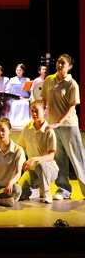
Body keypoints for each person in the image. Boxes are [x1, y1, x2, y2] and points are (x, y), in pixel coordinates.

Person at [40, 54, 85, 201]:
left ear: (70, 66)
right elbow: (44, 100)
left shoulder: (72, 84)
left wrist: (59, 122)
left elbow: (72, 107)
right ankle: (64, 189)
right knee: (59, 159)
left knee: (77, 158)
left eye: (63, 63)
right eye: (59, 62)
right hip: (52, 125)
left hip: (68, 125)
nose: (60, 65)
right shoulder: (49, 80)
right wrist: (43, 115)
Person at [17, 100, 58, 204]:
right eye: (32, 111)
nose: (34, 114)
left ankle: (46, 191)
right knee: (20, 193)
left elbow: (51, 156)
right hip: (33, 170)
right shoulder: (27, 128)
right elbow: (20, 148)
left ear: (44, 111)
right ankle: (37, 189)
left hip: (49, 169)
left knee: (41, 164)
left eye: (36, 111)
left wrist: (34, 159)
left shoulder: (49, 130)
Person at [6, 63, 31, 129]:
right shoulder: (12, 80)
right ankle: (14, 120)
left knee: (25, 104)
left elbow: (30, 91)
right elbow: (9, 90)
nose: (18, 71)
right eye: (17, 70)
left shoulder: (27, 80)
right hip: (14, 98)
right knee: (14, 104)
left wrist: (28, 98)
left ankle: (24, 121)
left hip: (24, 98)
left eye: (20, 70)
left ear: (23, 71)